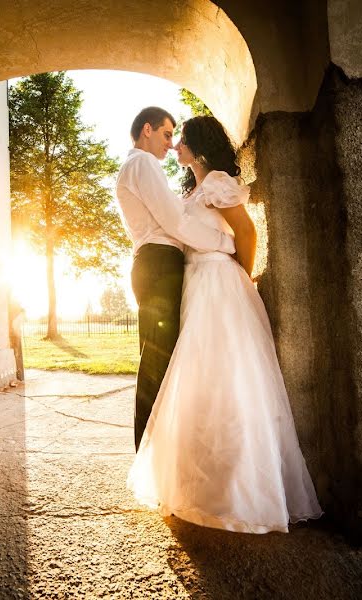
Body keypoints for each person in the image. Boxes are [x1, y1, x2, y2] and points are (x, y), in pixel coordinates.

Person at [126, 115, 323, 533]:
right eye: (169, 137)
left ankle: (240, 488)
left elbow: (246, 233)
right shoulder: (192, 191)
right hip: (193, 283)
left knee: (230, 377)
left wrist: (242, 276)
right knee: (198, 380)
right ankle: (198, 482)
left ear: (198, 146)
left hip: (218, 281)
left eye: (180, 140)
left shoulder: (217, 182)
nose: (174, 145)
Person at [115, 107, 236, 451]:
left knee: (159, 359)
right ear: (147, 130)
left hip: (153, 263)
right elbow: (175, 222)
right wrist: (225, 243)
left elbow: (176, 214)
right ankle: (150, 454)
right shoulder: (142, 163)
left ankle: (156, 451)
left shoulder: (137, 166)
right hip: (158, 264)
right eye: (167, 135)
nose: (170, 145)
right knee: (157, 362)